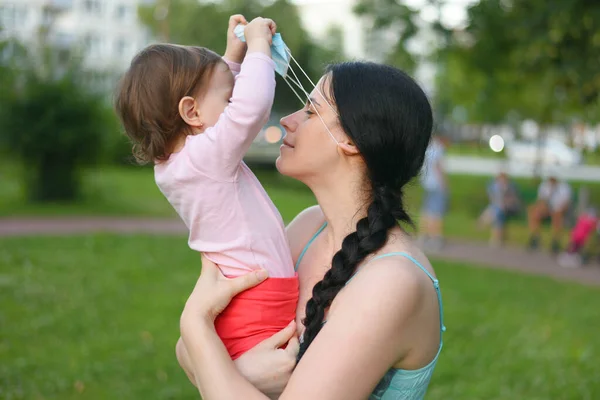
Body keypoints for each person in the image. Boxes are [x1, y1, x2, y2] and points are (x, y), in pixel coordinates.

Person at [176, 60, 446, 399]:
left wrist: (197, 327)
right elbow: (185, 352)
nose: (288, 121)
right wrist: (230, 370)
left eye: (309, 111)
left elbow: (199, 347)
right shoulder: (308, 227)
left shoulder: (392, 281)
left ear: (351, 140)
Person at [114, 16, 299, 360]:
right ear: (191, 112)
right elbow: (249, 108)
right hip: (259, 298)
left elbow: (214, 102)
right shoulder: (205, 158)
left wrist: (232, 55)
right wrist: (258, 47)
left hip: (246, 297)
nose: (232, 106)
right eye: (227, 99)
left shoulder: (180, 162)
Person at [419, 135, 449, 251]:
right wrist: (444, 183)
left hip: (427, 183)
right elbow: (438, 166)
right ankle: (435, 237)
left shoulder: (428, 148)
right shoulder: (439, 148)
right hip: (436, 184)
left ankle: (423, 236)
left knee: (426, 211)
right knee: (436, 212)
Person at [527, 176, 572, 253]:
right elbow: (541, 200)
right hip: (547, 208)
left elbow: (566, 203)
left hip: (559, 209)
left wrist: (558, 209)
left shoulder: (564, 187)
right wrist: (542, 207)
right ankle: (535, 236)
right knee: (534, 212)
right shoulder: (544, 186)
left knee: (557, 216)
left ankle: (555, 240)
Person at [478, 172, 521, 246]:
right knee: (498, 213)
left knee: (497, 211)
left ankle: (484, 221)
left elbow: (514, 200)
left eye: (503, 179)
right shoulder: (495, 187)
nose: (501, 181)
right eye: (500, 180)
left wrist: (505, 202)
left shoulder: (510, 188)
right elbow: (493, 199)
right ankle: (496, 239)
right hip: (498, 207)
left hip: (510, 208)